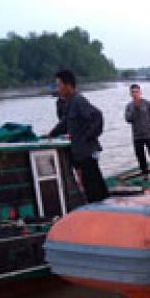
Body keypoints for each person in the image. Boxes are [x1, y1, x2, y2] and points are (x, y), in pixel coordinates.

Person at [47, 69, 109, 203]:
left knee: (94, 185)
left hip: (87, 151)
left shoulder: (79, 100)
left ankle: (102, 211)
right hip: (79, 153)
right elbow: (64, 123)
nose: (58, 89)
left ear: (68, 85)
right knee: (90, 185)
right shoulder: (69, 103)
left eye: (59, 85)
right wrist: (50, 134)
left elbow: (97, 116)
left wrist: (88, 136)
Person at [124, 84, 150, 175]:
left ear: (140, 92)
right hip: (137, 136)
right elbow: (128, 119)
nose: (135, 94)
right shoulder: (129, 106)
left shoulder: (146, 103)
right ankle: (145, 174)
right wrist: (135, 109)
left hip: (147, 134)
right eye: (133, 92)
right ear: (130, 94)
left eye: (136, 92)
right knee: (140, 156)